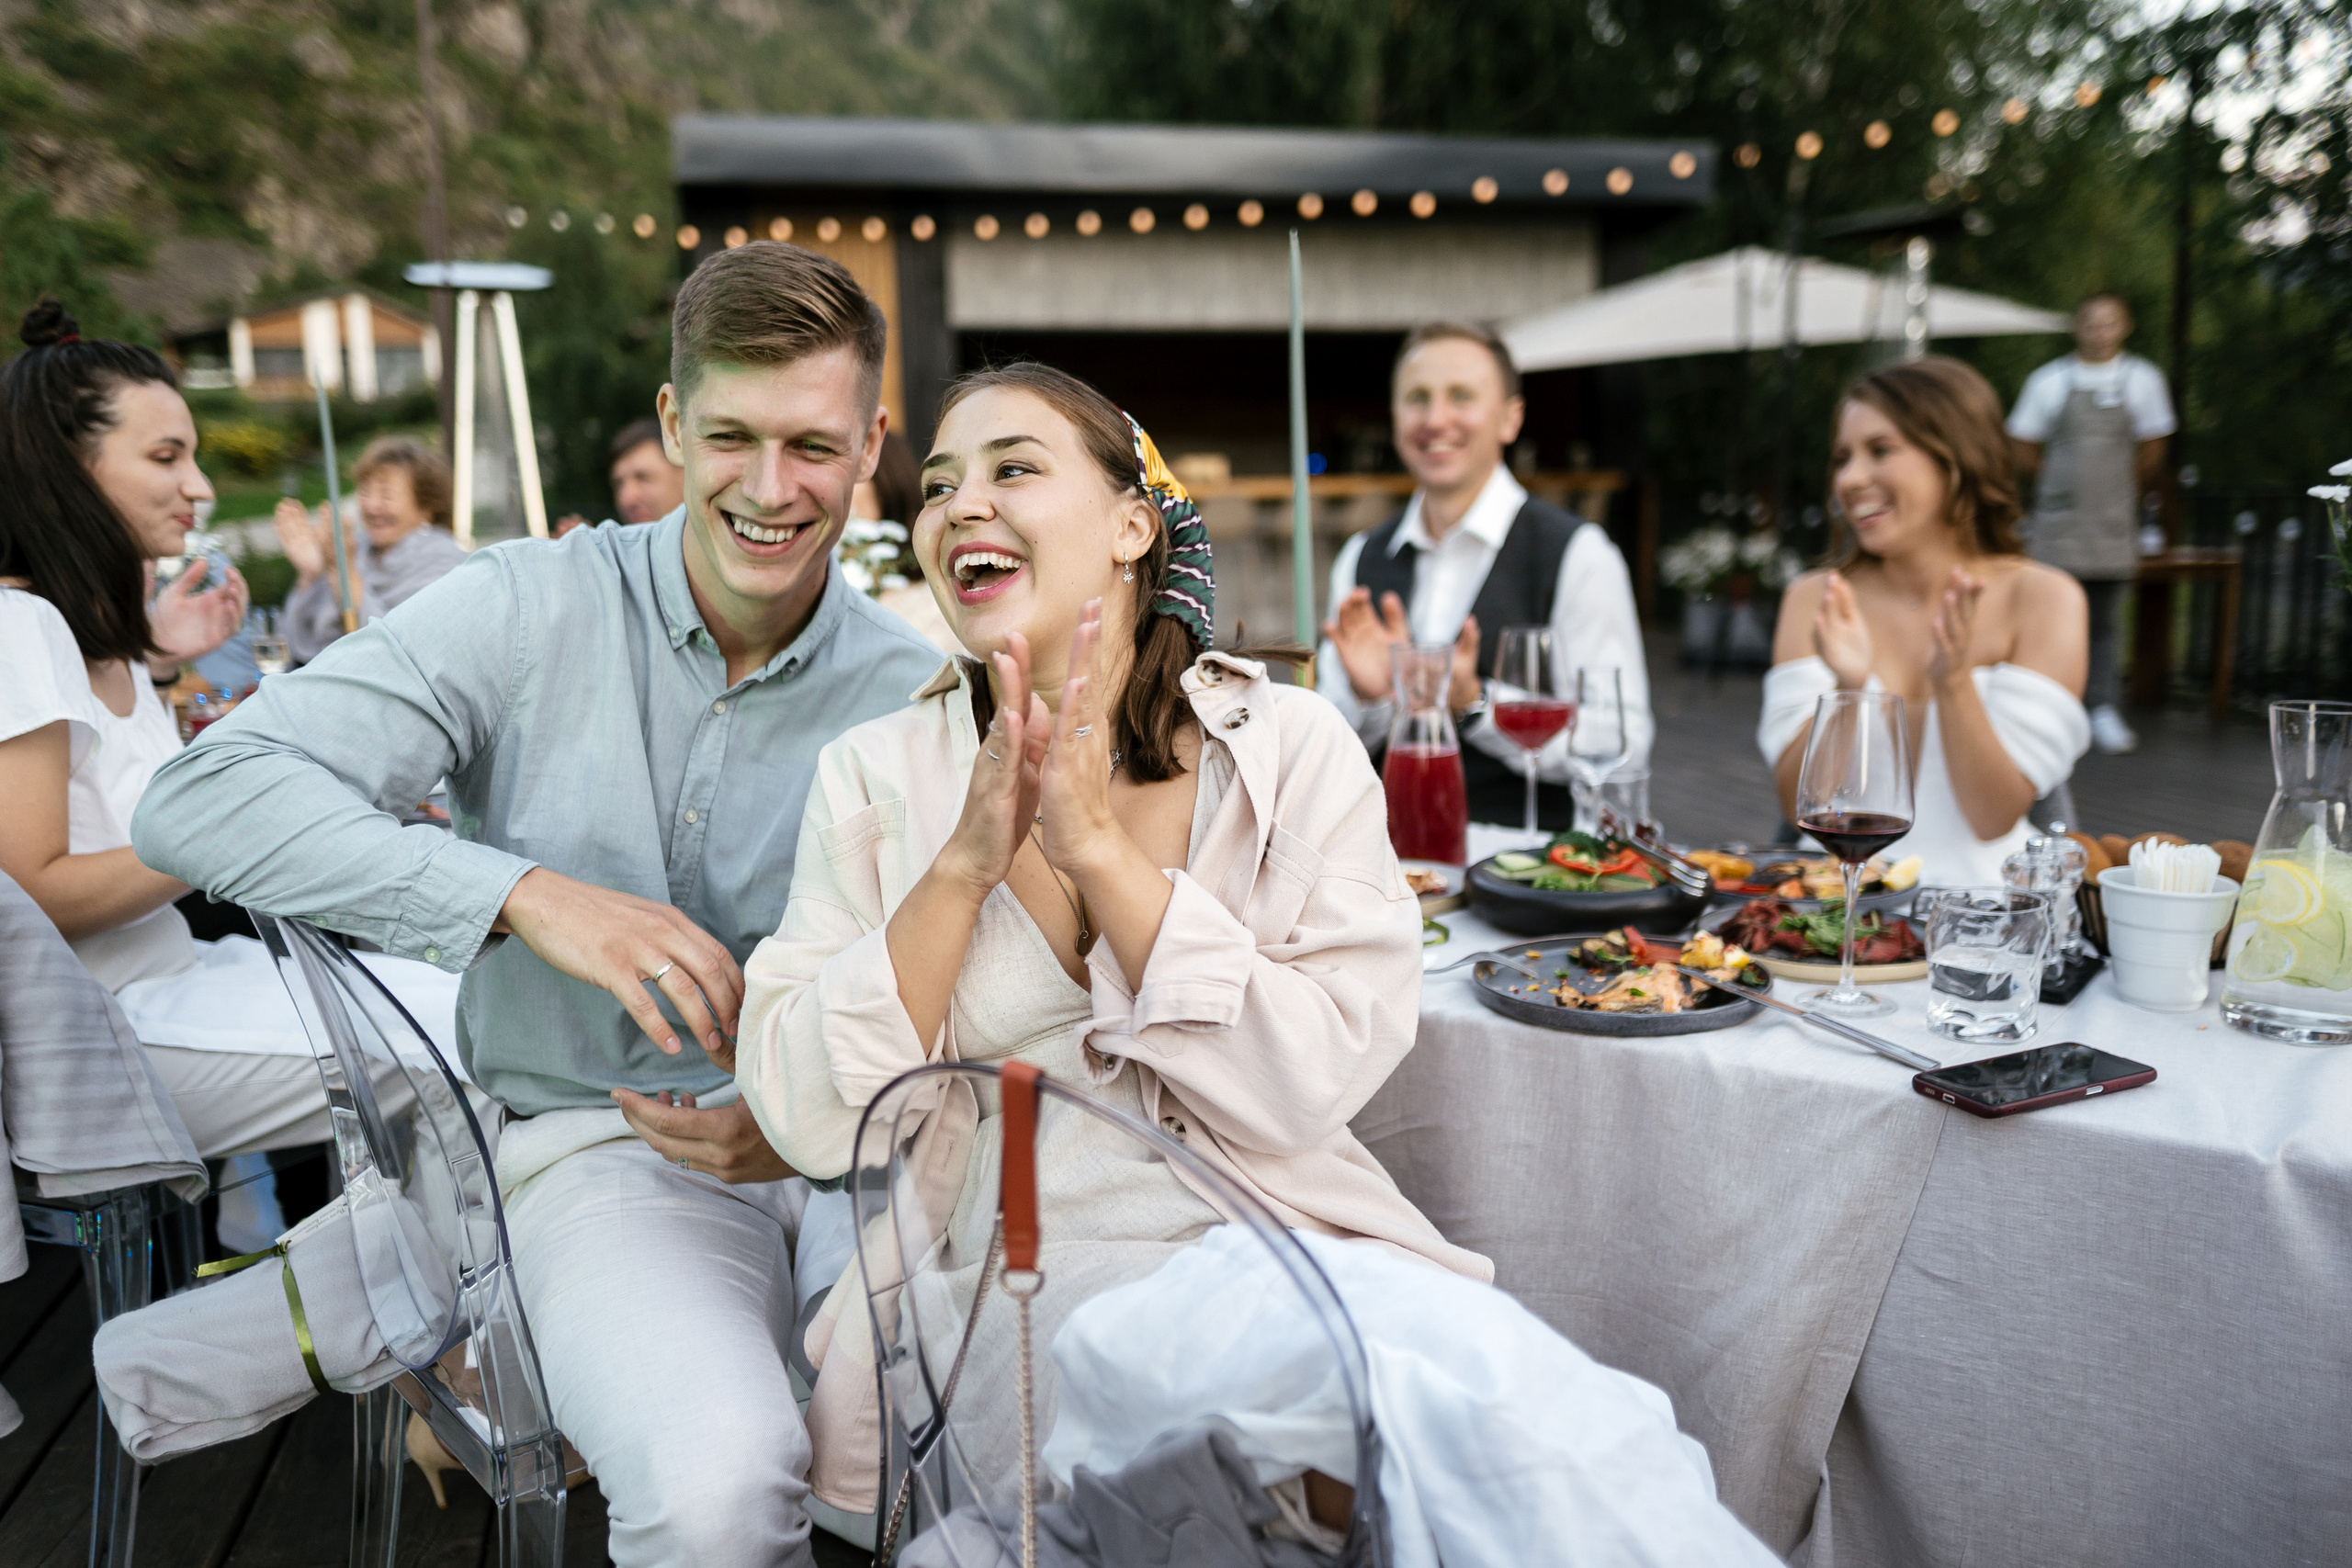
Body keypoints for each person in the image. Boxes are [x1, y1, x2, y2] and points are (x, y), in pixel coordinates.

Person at [135, 242, 942, 1568]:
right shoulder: (523, 605)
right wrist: (521, 892)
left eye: (812, 443)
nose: (770, 486)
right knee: (717, 1492)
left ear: (870, 444)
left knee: (1023, 1432)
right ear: (675, 423)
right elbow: (198, 797)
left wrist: (826, 1113)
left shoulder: (916, 681)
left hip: (878, 1161)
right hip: (612, 1146)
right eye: (731, 435)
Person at [736, 361, 1490, 1510]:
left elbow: (1321, 1071)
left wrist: (1097, 851)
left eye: (1013, 469)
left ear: (1134, 524)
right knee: (1292, 1440)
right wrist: (960, 869)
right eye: (937, 487)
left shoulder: (1289, 749)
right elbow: (804, 1113)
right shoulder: (875, 775)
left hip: (1290, 1229)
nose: (959, 507)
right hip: (1018, 1267)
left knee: (1473, 1419)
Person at [0, 298, 417, 1165]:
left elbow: (116, 802)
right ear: (67, 469)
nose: (201, 486)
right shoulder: (18, 627)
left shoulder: (92, 645)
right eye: (166, 456)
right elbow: (31, 894)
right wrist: (233, 829)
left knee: (466, 1005)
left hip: (179, 983)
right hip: (113, 1036)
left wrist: (155, 663)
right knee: (466, 1049)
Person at [1761, 357, 2091, 886]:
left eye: (1880, 450)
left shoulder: (2044, 598)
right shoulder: (1817, 598)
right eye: (1842, 457)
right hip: (1830, 909)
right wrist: (1848, 688)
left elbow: (1991, 817)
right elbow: (1797, 805)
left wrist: (1953, 681)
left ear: (1955, 455)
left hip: (1986, 918)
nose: (1850, 478)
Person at [1317, 321, 1651, 831]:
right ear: (1394, 417)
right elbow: (1327, 748)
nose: (1436, 419)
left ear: (1510, 418)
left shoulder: (1578, 555)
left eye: (1461, 396)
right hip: (1385, 864)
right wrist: (1374, 697)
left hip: (1528, 863)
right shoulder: (1361, 557)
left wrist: (1477, 704)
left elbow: (1623, 744)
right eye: (1417, 398)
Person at [2007, 293, 2176, 755]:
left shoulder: (2142, 379)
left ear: (2125, 326)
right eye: (2090, 323)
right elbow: (2022, 443)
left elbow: (2154, 444)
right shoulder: (2049, 381)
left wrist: (2114, 491)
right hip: (2058, 525)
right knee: (2047, 616)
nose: (2099, 331)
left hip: (2112, 523)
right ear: (2076, 327)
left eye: (2109, 323)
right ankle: (2047, 708)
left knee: (2104, 620)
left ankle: (2101, 708)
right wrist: (2061, 486)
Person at [274, 434, 466, 663]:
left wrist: (343, 572)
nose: (371, 506)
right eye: (365, 492)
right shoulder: (362, 551)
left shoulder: (443, 563)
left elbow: (393, 653)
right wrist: (312, 574)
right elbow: (300, 651)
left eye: (387, 494)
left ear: (426, 506)